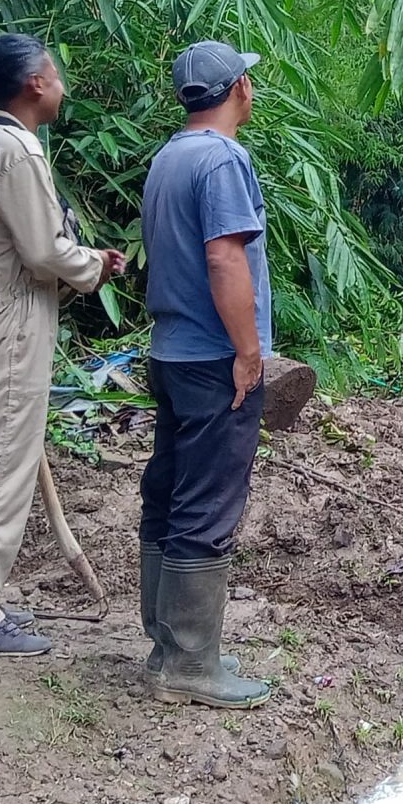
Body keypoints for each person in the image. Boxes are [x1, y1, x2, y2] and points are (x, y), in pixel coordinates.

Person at [0, 34, 127, 656]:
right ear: (35, 83)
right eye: (56, 74)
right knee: (0, 466)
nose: (61, 85)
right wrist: (94, 265)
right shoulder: (13, 150)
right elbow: (43, 252)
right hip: (4, 323)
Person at [136, 41, 276, 709]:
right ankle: (193, 664)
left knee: (168, 492)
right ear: (239, 89)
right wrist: (248, 352)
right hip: (211, 357)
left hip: (170, 352)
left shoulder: (170, 156)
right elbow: (226, 261)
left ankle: (169, 647)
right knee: (207, 502)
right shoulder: (223, 160)